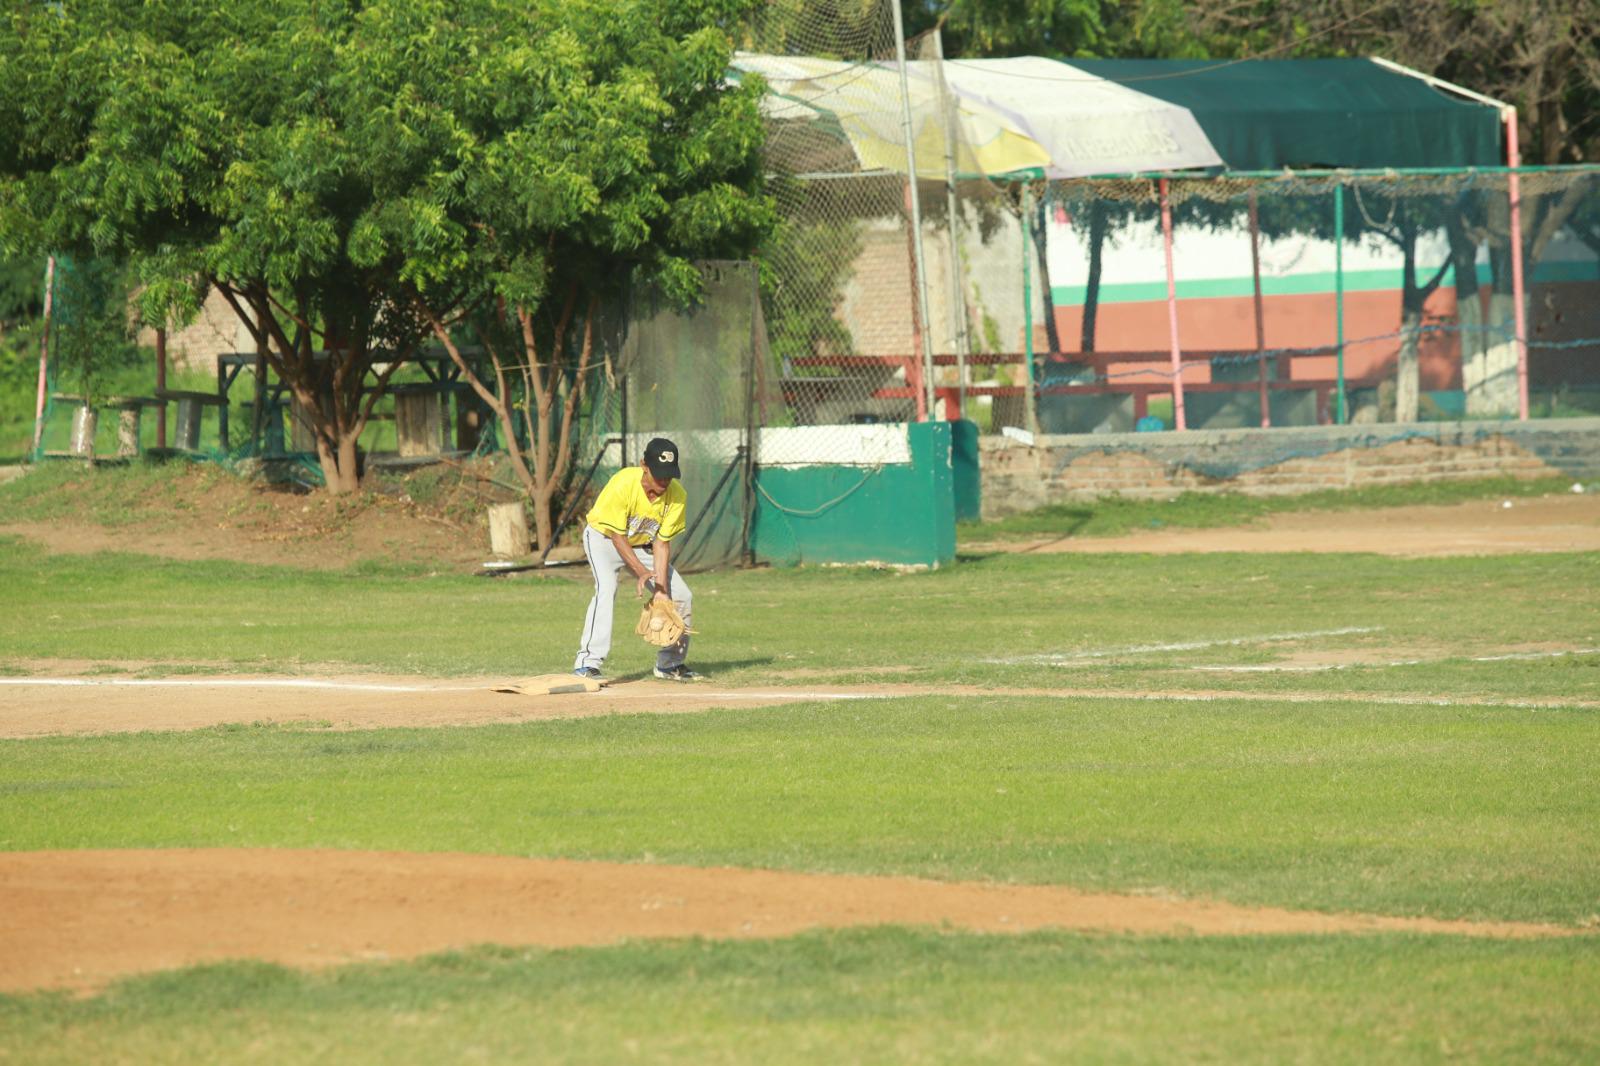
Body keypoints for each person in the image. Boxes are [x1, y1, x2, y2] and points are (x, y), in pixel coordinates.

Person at [572, 437, 700, 682]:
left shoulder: (676, 496)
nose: (664, 480)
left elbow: (662, 543)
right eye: (659, 474)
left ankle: (669, 664)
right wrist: (641, 571)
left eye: (669, 474)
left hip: (643, 544)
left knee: (682, 596)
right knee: (606, 589)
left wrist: (661, 590)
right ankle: (587, 662)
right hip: (603, 539)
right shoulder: (622, 483)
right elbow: (617, 536)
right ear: (644, 465)